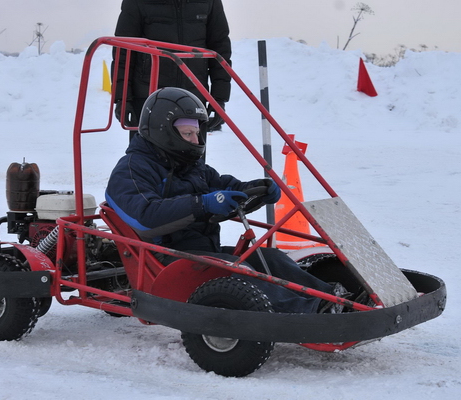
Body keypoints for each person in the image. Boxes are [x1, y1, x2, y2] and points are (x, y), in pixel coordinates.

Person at [105, 87, 341, 314]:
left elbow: (224, 186)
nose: (195, 140)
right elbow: (146, 216)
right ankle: (308, 313)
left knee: (271, 259)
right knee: (238, 271)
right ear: (162, 130)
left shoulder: (189, 166)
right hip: (166, 257)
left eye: (196, 133)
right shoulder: (131, 170)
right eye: (187, 133)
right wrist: (203, 204)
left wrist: (257, 190)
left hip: (203, 252)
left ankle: (332, 298)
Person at [112, 0, 231, 138]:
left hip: (192, 98)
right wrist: (123, 99)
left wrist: (218, 99)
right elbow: (124, 51)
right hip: (149, 99)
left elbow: (220, 48)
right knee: (146, 156)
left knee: (192, 154)